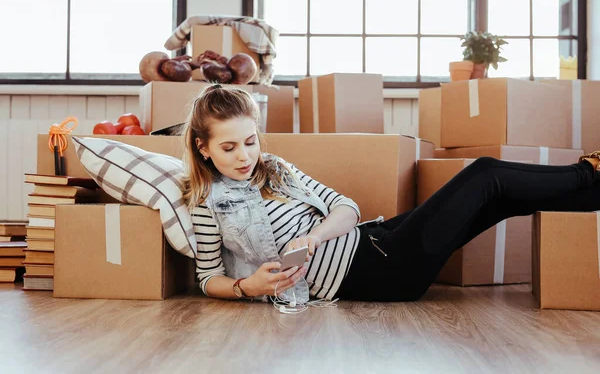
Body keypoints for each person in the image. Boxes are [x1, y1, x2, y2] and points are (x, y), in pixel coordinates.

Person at [183, 84, 600, 303]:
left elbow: (345, 207)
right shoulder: (206, 203)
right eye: (229, 147)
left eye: (250, 141)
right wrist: (247, 287)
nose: (245, 156)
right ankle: (589, 172)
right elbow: (207, 279)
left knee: (499, 198)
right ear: (203, 147)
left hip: (375, 239)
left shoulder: (275, 168)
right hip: (380, 272)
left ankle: (588, 194)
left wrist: (312, 237)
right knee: (487, 175)